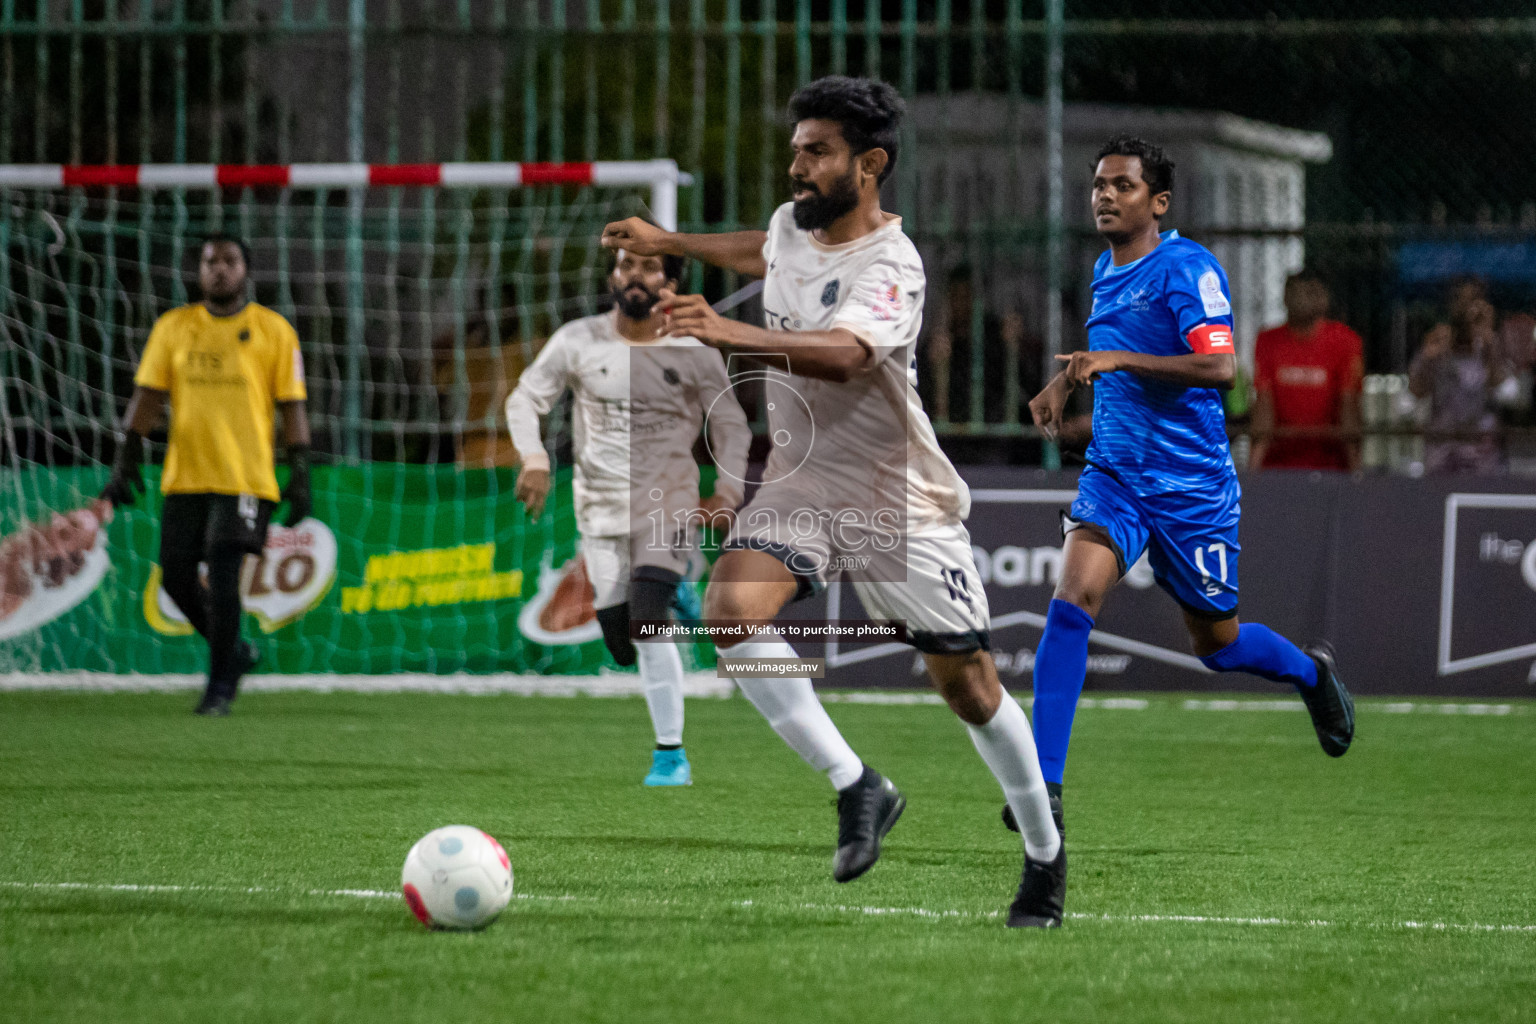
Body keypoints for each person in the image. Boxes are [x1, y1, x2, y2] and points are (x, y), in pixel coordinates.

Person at [603, 75, 1066, 928]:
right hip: (804, 477)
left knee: (969, 688)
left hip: (897, 495)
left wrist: (731, 332)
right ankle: (859, 786)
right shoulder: (792, 226)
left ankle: (1044, 855)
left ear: (871, 164)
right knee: (731, 611)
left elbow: (848, 355)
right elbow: (767, 251)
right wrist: (671, 239)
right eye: (795, 151)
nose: (798, 167)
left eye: (817, 153)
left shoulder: (895, 261)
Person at [1023, 136, 1355, 837]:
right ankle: (1042, 786)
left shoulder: (1188, 267)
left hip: (1192, 486)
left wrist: (1118, 358)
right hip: (1115, 474)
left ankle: (1310, 674)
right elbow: (1108, 356)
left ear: (1158, 202)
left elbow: (1222, 369)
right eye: (1098, 185)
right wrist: (1065, 378)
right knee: (1071, 598)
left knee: (1219, 644)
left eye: (1122, 186)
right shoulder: (1103, 267)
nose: (1104, 196)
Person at [505, 247, 751, 787]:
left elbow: (731, 426)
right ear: (612, 276)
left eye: (647, 267)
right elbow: (525, 399)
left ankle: (670, 755)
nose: (633, 277)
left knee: (646, 618)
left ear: (670, 281)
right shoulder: (578, 340)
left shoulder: (693, 351)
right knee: (620, 643)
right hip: (600, 510)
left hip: (668, 505)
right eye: (624, 266)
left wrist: (728, 493)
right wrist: (534, 458)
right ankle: (677, 589)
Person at [102, 233, 312, 716]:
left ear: (246, 270)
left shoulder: (273, 330)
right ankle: (234, 652)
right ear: (199, 271)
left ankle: (219, 686)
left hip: (245, 478)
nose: (219, 269)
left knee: (222, 573)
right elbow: (148, 399)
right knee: (175, 578)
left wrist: (300, 470)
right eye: (210, 261)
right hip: (186, 476)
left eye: (230, 260)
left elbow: (292, 405)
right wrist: (126, 460)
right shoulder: (174, 328)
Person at [1249, 271, 1364, 472]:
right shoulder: (1268, 341)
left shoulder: (1345, 341)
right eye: (1295, 291)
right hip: (1279, 464)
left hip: (1330, 465)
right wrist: (1253, 471)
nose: (1302, 298)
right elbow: (1264, 405)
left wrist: (1355, 472)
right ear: (1285, 297)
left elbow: (1348, 404)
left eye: (1311, 292)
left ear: (1324, 298)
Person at [1409, 294, 1516, 475]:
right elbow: (1409, 400)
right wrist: (1428, 357)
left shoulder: (1490, 349)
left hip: (1484, 460)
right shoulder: (1436, 351)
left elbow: (1509, 395)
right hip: (1442, 456)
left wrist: (1488, 343)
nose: (1465, 328)